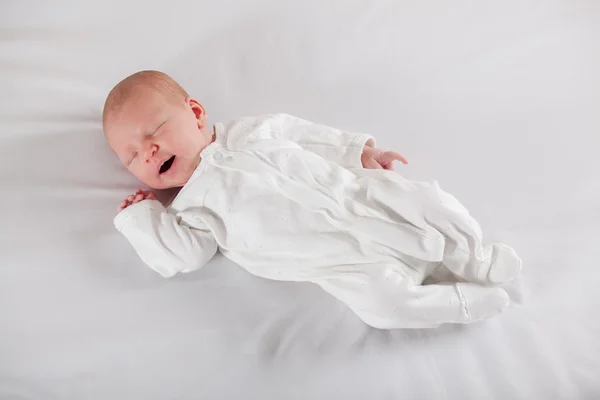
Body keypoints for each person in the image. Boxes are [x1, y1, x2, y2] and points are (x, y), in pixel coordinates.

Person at [102, 70, 521, 329]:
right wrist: (142, 219)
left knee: (430, 203)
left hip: (359, 198)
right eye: (133, 155)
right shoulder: (190, 210)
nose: (149, 151)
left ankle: (476, 257)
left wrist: (358, 152)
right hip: (338, 262)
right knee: (381, 306)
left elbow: (304, 134)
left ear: (195, 113)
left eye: (154, 131)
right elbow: (184, 256)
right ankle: (461, 303)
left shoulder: (251, 131)